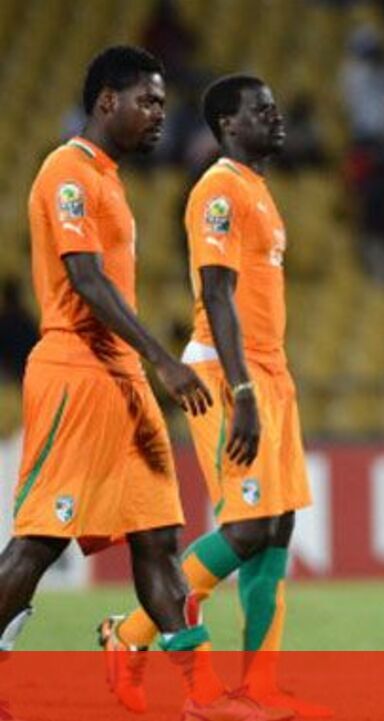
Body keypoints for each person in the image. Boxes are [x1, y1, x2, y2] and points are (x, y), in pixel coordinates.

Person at [0, 46, 275, 721]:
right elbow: (85, 280)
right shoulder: (67, 172)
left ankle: (202, 695)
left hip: (120, 375)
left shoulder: (109, 180)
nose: (159, 114)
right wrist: (162, 358)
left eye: (161, 103)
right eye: (147, 101)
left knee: (158, 536)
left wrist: (142, 365)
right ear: (106, 102)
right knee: (40, 540)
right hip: (77, 372)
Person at [97, 74, 325, 718]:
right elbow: (217, 293)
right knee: (247, 528)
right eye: (261, 110)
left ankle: (260, 687)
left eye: (275, 108)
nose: (276, 117)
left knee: (277, 526)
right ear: (228, 124)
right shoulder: (218, 190)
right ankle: (130, 633)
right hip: (232, 374)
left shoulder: (256, 189)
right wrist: (243, 388)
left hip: (270, 371)